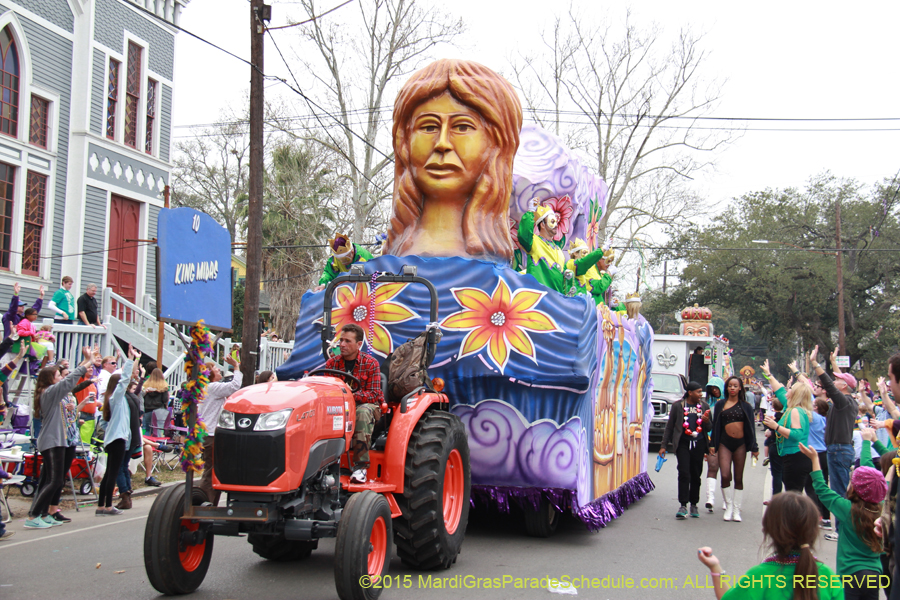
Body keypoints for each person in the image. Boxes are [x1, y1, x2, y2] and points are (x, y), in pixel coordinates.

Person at [384, 59, 522, 262]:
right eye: (429, 127)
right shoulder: (367, 285)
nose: (442, 143)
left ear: (497, 144)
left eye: (462, 127)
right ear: (404, 142)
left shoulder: (516, 292)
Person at [696, 492, 842, 600]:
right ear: (813, 531)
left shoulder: (758, 577)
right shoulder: (828, 577)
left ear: (768, 530)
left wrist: (715, 568)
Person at [801, 438, 887, 600]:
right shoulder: (883, 509)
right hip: (874, 574)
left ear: (854, 488)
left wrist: (814, 459)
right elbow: (876, 479)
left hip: (850, 574)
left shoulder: (848, 509)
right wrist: (868, 443)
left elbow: (821, 487)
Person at [25, 346, 93, 529]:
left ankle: (44, 513)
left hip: (56, 440)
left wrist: (87, 361)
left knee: (50, 479)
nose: (60, 377)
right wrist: (87, 362)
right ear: (50, 379)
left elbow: (68, 384)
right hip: (51, 441)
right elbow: (69, 381)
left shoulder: (50, 393)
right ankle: (33, 515)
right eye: (57, 375)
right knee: (54, 480)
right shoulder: (49, 392)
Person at [810, 345, 858, 543]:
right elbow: (835, 382)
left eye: (838, 381)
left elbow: (829, 385)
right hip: (839, 449)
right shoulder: (847, 401)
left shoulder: (843, 401)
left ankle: (841, 530)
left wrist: (815, 364)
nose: (834, 382)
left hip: (838, 449)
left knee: (839, 491)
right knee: (840, 488)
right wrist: (834, 362)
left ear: (843, 387)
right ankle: (842, 528)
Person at [324, 323, 384, 483]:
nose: (342, 344)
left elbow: (374, 395)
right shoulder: (332, 364)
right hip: (341, 406)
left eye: (347, 341)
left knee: (362, 412)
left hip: (366, 406)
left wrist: (349, 395)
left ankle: (360, 467)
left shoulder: (371, 364)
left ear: (359, 344)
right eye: (341, 340)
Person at [659, 382, 712, 519]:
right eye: (698, 392)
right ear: (690, 392)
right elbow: (670, 426)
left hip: (699, 444)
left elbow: (710, 427)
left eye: (701, 392)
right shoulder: (678, 406)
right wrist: (663, 445)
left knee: (696, 474)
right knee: (684, 472)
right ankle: (683, 505)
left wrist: (706, 421)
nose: (701, 394)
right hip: (683, 443)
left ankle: (694, 504)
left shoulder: (704, 406)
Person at [710, 376, 759, 522]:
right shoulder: (720, 405)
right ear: (727, 388)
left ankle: (737, 510)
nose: (732, 388)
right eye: (730, 386)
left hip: (741, 444)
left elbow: (751, 428)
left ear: (740, 388)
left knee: (738, 477)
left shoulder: (746, 406)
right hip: (724, 443)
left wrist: (754, 447)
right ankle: (729, 506)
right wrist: (713, 444)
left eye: (735, 386)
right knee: (725, 475)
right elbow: (715, 425)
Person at [96, 346, 137, 516]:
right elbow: (124, 380)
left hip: (115, 438)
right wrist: (129, 361)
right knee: (112, 474)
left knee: (108, 474)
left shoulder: (112, 402)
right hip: (117, 440)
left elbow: (105, 424)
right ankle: (107, 506)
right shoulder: (116, 399)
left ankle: (101, 506)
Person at [197, 353, 242, 506]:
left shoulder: (205, 388)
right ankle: (204, 502)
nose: (218, 370)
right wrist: (236, 367)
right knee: (211, 471)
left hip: (207, 433)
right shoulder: (212, 388)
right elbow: (234, 386)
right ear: (209, 374)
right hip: (211, 434)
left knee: (214, 470)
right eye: (215, 368)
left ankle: (210, 502)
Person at [761, 359, 812, 493]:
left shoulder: (795, 410)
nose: (787, 390)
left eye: (791, 389)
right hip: (791, 455)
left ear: (795, 394)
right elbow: (779, 390)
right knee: (792, 492)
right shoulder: (792, 407)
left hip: (796, 456)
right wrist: (769, 375)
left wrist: (775, 426)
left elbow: (796, 434)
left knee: (793, 494)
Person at [703, 376, 725, 512]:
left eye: (716, 388)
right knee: (712, 466)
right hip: (711, 439)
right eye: (712, 389)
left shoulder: (728, 403)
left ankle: (726, 499)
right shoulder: (707, 404)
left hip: (726, 439)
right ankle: (710, 498)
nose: (715, 391)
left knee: (725, 470)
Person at [142, 368, 169, 436]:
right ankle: (158, 444)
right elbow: (165, 399)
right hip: (159, 409)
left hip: (147, 408)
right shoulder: (164, 386)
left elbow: (143, 396)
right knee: (158, 429)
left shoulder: (146, 385)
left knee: (148, 429)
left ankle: (147, 444)